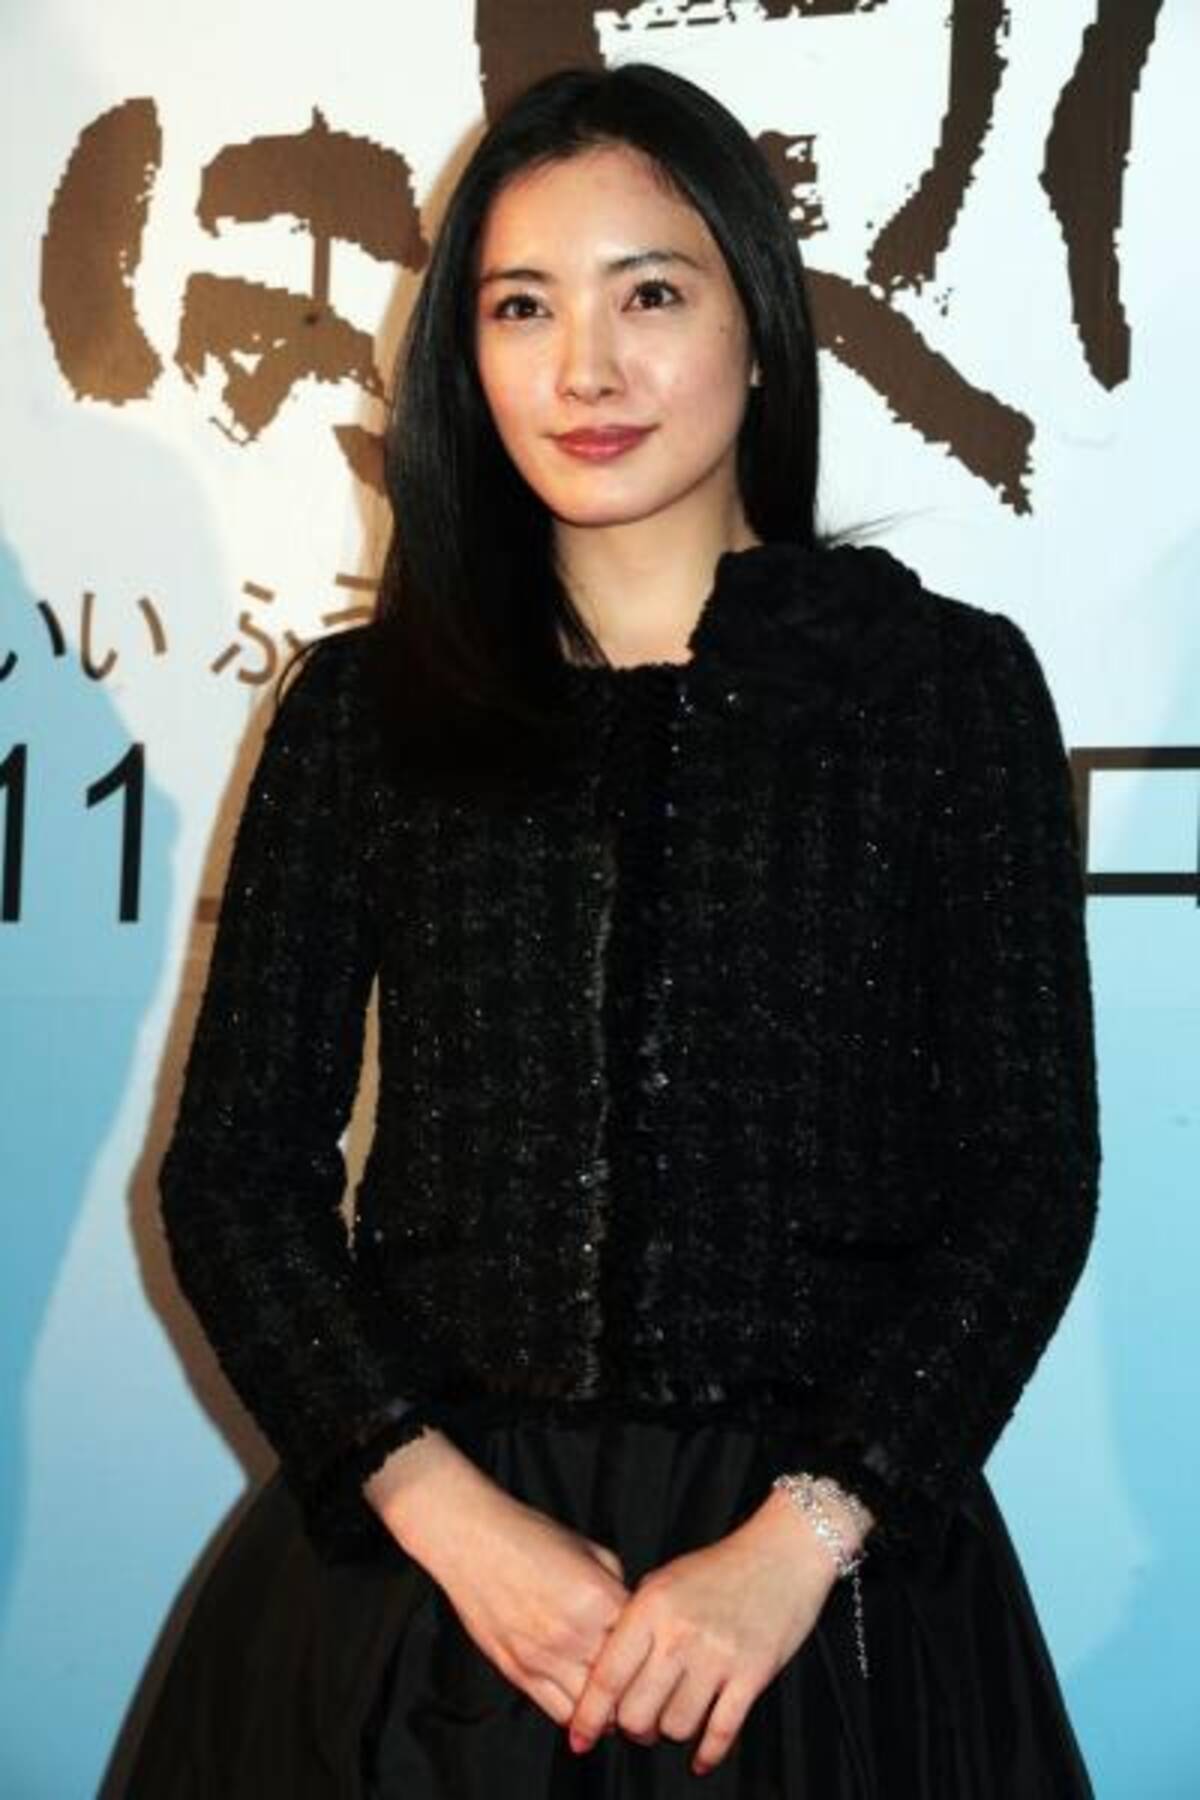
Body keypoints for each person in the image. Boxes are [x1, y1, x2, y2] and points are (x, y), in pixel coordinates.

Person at [121, 61, 1101, 1798]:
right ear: (464, 352)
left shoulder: (941, 695)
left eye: (649, 294)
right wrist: (441, 1510)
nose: (585, 369)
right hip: (428, 1608)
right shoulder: (364, 712)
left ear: (758, 324)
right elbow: (235, 1177)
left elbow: (1025, 1181)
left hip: (822, 1619)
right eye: (522, 306)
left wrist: (802, 1540)